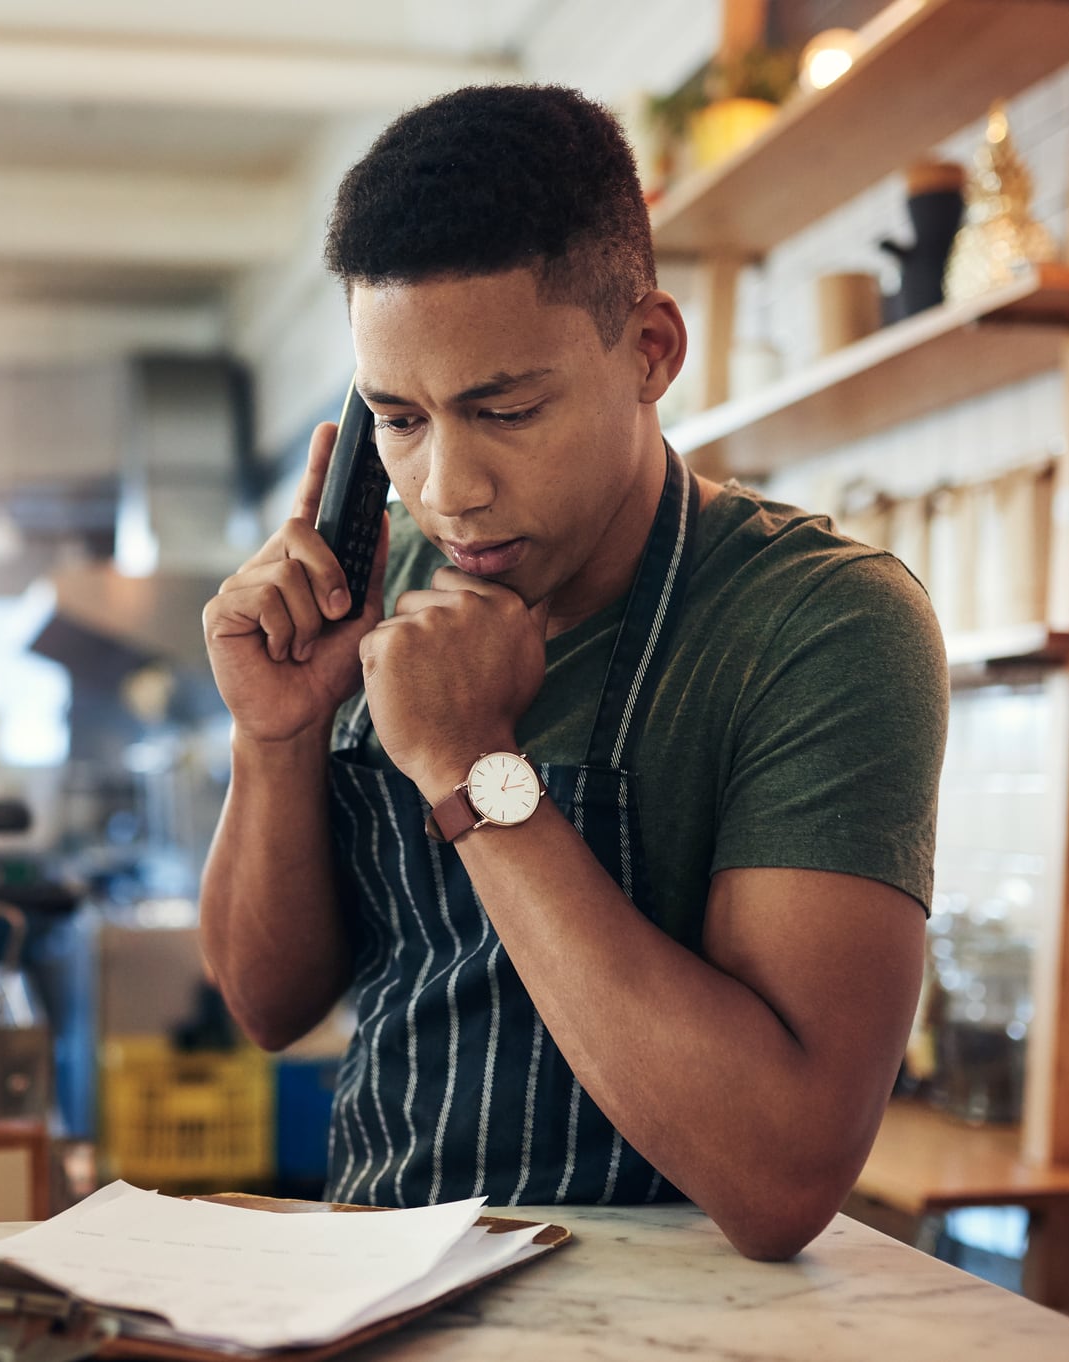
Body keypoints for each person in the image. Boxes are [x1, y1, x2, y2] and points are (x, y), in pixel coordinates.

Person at [198, 84, 948, 1261]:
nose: (447, 487)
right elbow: (266, 1004)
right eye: (398, 420)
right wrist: (276, 735)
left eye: (503, 409)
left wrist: (471, 765)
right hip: (368, 1287)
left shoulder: (821, 622)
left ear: (648, 351)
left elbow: (781, 1173)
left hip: (679, 1325)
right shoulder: (368, 597)